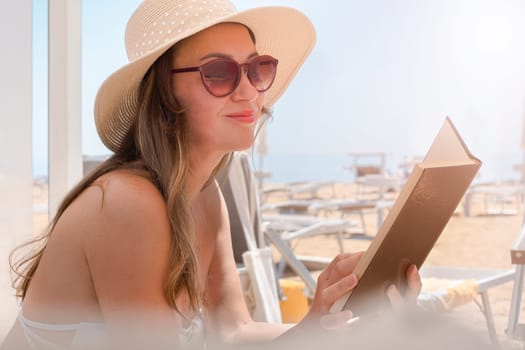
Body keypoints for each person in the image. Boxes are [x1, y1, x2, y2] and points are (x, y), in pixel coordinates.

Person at [2, 0, 421, 349]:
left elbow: (232, 331)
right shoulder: (127, 203)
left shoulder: (205, 199)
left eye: (257, 69)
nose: (249, 91)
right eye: (218, 73)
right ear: (165, 95)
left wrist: (319, 321)